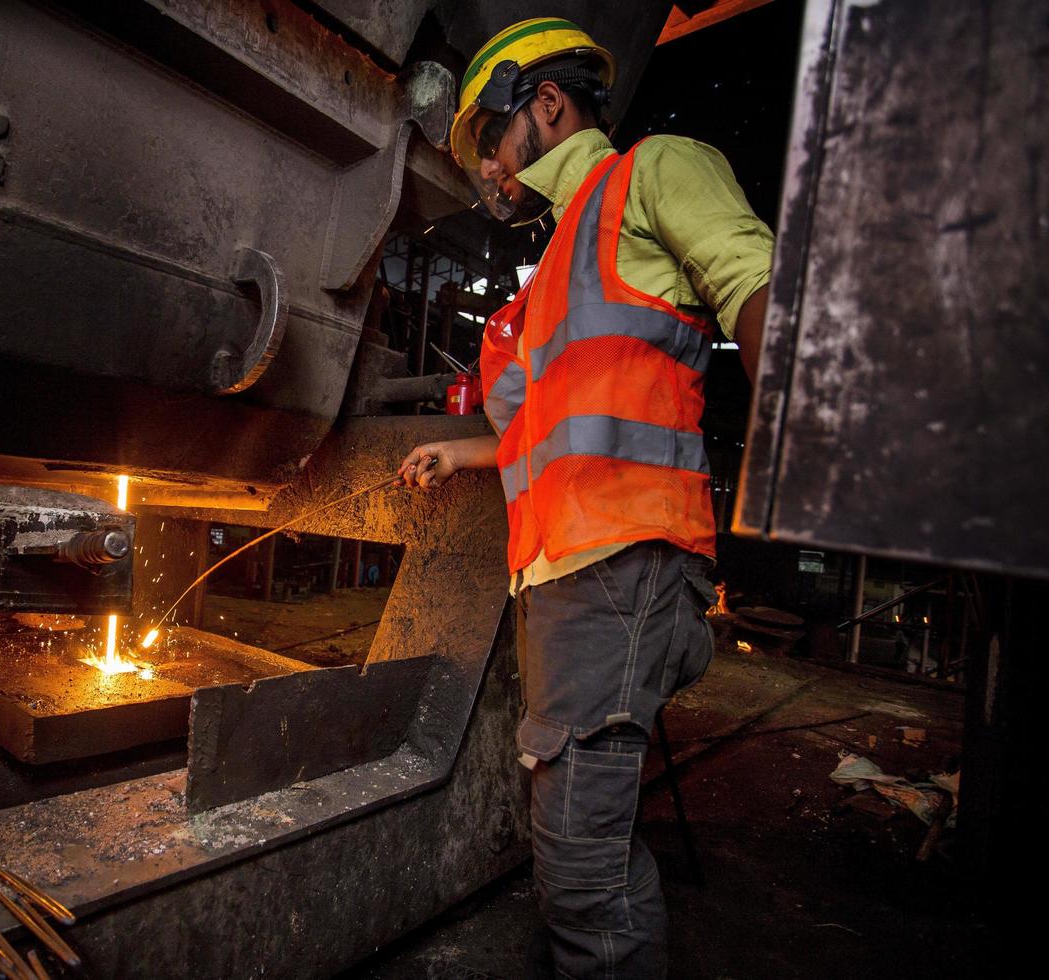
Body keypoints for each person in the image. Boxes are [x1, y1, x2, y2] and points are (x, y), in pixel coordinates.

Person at [397, 17, 774, 979]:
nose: (484, 168)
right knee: (573, 838)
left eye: (490, 138)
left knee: (581, 876)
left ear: (548, 104)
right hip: (571, 578)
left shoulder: (648, 174)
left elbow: (761, 286)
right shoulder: (565, 257)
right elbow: (550, 428)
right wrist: (458, 453)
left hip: (626, 565)